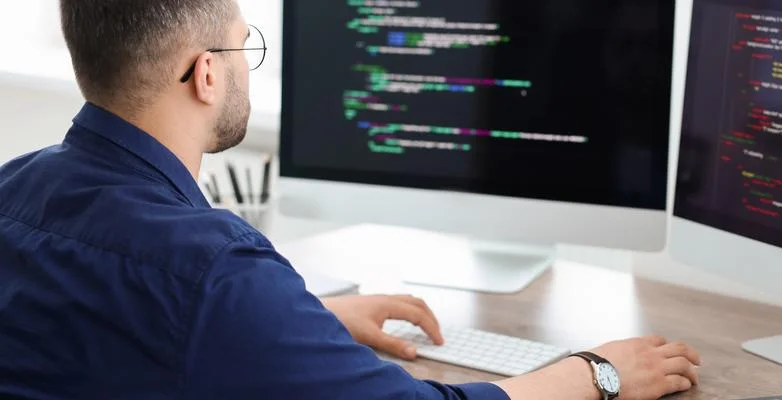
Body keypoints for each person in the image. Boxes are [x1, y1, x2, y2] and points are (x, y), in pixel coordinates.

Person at [0, 1, 702, 399]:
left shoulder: (13, 188)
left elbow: (110, 326)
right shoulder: (219, 273)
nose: (248, 60)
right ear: (206, 73)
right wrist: (599, 373)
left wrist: (307, 321)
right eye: (245, 43)